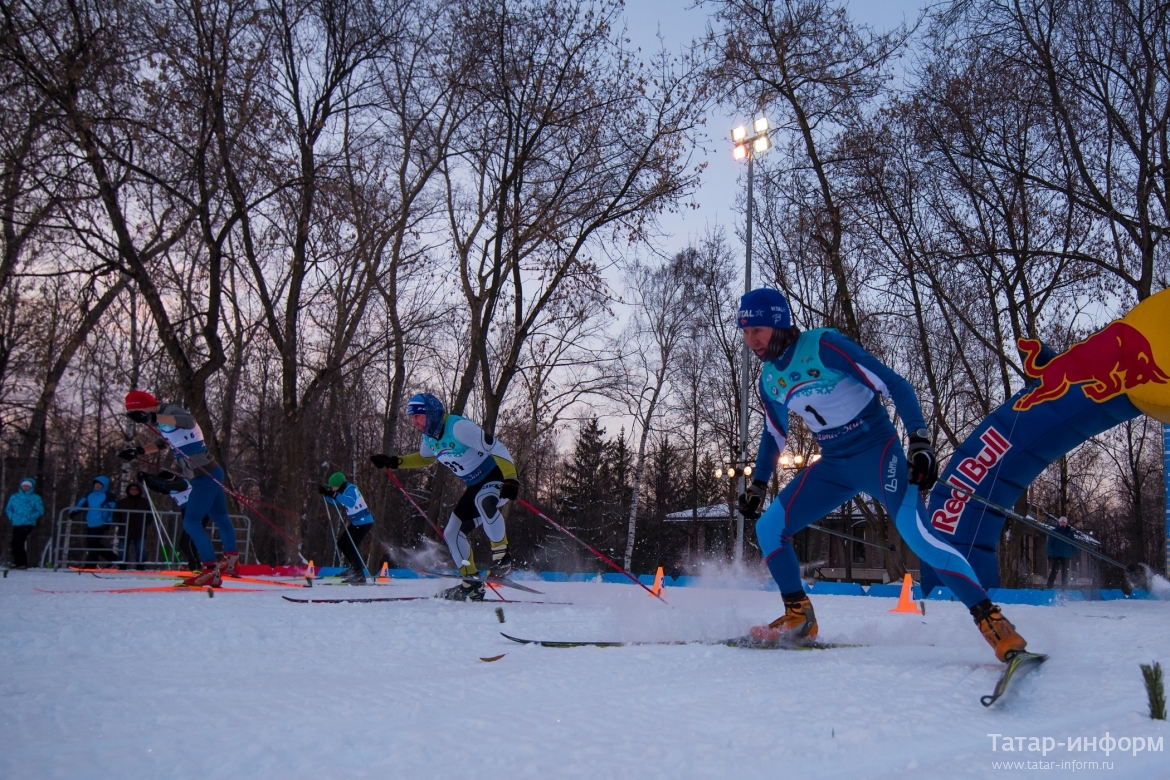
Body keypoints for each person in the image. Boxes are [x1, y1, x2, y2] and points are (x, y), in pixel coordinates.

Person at [736, 288, 1029, 662]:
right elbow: (774, 434)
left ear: (779, 323)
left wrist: (919, 441)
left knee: (921, 540)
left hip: (878, 455)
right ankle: (800, 617)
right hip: (834, 464)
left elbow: (894, 385)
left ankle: (994, 623)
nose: (752, 341)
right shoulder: (768, 381)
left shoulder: (825, 346)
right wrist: (759, 483)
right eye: (745, 333)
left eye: (757, 330)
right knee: (769, 528)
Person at [370, 393, 520, 601]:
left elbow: (496, 447)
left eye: (417, 416)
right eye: (412, 418)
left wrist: (511, 480)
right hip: (475, 485)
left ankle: (502, 557)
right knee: (452, 533)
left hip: (497, 476)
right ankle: (471, 584)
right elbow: (424, 458)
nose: (414, 423)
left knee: (483, 501)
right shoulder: (429, 439)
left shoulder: (458, 428)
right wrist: (394, 462)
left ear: (431, 414)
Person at [117, 391, 236, 587]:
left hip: (203, 475)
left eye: (136, 412)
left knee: (191, 523)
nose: (139, 418)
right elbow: (165, 441)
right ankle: (232, 563)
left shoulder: (169, 411)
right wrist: (138, 451)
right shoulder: (161, 419)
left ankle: (210, 571)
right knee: (220, 517)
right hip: (210, 472)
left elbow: (187, 421)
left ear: (144, 406)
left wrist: (151, 417)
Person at [319, 472, 374, 584]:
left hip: (364, 522)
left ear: (339, 484)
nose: (333, 489)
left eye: (333, 486)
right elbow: (335, 501)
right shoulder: (341, 491)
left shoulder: (351, 489)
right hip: (356, 522)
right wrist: (327, 494)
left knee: (350, 546)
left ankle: (359, 574)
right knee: (342, 543)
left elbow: (350, 502)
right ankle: (354, 568)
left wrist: (334, 495)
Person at [140, 470, 200, 570]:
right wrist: (146, 479)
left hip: (193, 512)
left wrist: (150, 476)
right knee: (188, 541)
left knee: (185, 542)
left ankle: (194, 565)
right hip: (187, 512)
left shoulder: (182, 483)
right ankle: (196, 565)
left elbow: (164, 485)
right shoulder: (172, 487)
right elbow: (158, 487)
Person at [71, 476, 117, 565]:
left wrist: (108, 521)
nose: (98, 486)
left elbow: (112, 510)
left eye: (100, 484)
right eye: (96, 484)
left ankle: (90, 564)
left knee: (93, 543)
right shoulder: (90, 494)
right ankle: (113, 558)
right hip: (90, 522)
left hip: (101, 522)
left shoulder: (109, 495)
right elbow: (81, 503)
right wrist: (74, 512)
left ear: (104, 485)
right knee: (91, 543)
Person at [6, 478, 44, 569]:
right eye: (24, 486)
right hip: (16, 522)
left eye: (27, 486)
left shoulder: (35, 498)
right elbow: (9, 508)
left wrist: (31, 517)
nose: (25, 487)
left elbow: (40, 510)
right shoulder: (15, 496)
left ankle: (21, 563)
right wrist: (11, 516)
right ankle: (18, 562)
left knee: (17, 542)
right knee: (16, 542)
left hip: (28, 523)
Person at [114, 482, 151, 570]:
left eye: (136, 489)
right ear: (128, 490)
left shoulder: (145, 502)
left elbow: (150, 515)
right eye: (132, 489)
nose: (134, 491)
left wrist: (145, 523)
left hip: (140, 530)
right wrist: (120, 524)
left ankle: (140, 567)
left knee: (141, 550)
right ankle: (122, 566)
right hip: (124, 529)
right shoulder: (122, 502)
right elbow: (116, 515)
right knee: (123, 550)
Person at [1045, 516, 1077, 589]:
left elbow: (1074, 544)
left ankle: (1064, 587)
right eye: (1061, 522)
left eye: (1064, 522)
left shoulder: (1069, 533)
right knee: (1054, 570)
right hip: (1057, 555)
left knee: (1065, 572)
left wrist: (1077, 554)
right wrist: (1049, 554)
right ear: (1059, 523)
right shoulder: (1054, 531)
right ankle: (1049, 586)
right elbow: (1050, 544)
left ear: (1066, 523)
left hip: (1066, 555)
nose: (1062, 524)